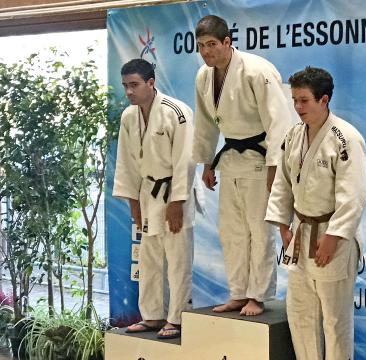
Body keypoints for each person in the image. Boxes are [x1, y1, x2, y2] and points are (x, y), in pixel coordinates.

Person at [266, 67, 366, 360]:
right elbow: (283, 183)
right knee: (300, 315)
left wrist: (334, 238)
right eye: (294, 100)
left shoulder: (346, 138)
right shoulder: (294, 134)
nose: (297, 108)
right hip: (300, 232)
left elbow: (354, 196)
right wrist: (283, 226)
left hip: (332, 235)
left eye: (304, 101)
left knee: (336, 320)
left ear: (324, 100)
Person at [192, 15, 290, 316]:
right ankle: (238, 291)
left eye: (212, 44)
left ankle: (257, 295)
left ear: (227, 42)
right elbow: (206, 124)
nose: (207, 52)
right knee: (231, 231)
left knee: (259, 230)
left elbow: (279, 122)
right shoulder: (203, 77)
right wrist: (207, 162)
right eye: (201, 46)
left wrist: (275, 168)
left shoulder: (257, 71)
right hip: (231, 158)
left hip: (260, 158)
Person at [113, 58, 198, 340]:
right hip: (147, 196)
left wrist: (177, 203)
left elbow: (186, 161)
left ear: (151, 83)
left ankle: (177, 318)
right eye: (125, 86)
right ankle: (151, 315)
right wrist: (133, 204)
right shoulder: (128, 117)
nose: (129, 91)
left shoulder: (177, 112)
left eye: (134, 85)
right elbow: (126, 164)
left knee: (177, 260)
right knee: (149, 260)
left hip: (174, 193)